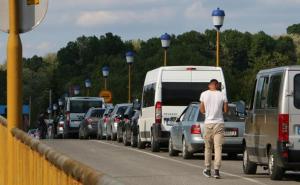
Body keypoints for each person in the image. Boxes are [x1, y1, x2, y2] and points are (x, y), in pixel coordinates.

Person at [200, 79, 228, 179]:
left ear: (210, 85)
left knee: (208, 148)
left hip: (208, 124)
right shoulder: (222, 95)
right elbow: (225, 110)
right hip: (219, 123)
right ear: (217, 85)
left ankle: (207, 169)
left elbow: (202, 110)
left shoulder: (203, 94)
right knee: (218, 148)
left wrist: (208, 113)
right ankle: (216, 171)